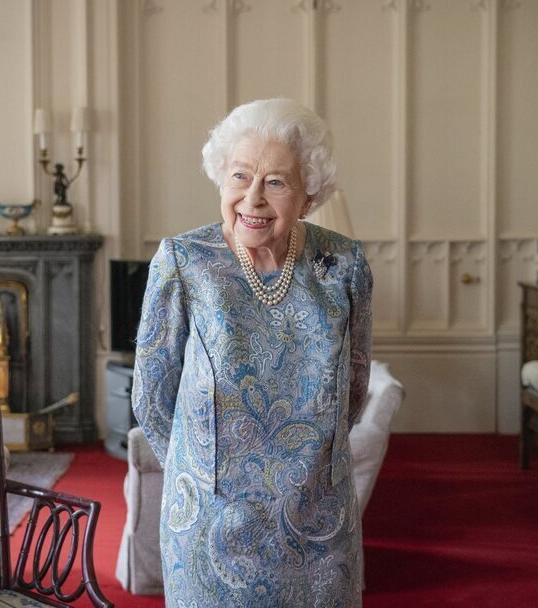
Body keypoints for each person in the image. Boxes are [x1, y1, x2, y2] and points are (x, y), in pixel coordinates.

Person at [132, 98, 373, 606]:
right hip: (210, 525)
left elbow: (353, 389)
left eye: (276, 182)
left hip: (319, 522)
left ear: (308, 195)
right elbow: (152, 399)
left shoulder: (344, 264)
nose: (253, 199)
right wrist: (199, 476)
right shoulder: (183, 262)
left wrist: (310, 472)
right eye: (240, 176)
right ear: (222, 180)